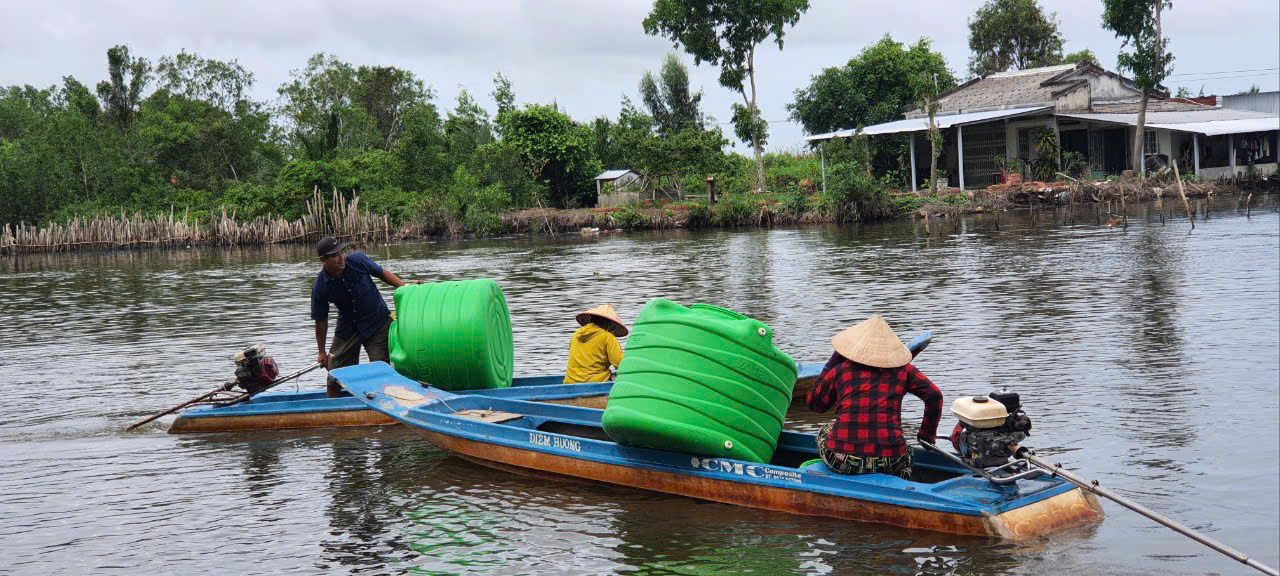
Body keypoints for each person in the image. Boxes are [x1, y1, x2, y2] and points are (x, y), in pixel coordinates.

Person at [806, 315, 943, 479]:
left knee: (825, 430)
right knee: (902, 451)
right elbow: (934, 396)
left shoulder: (841, 370)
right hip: (892, 460)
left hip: (845, 460)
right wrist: (927, 435)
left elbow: (815, 404)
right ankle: (901, 477)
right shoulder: (904, 370)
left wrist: (831, 364)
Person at [311, 236, 405, 396]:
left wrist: (406, 289)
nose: (341, 257)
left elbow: (382, 274)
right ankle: (333, 407)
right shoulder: (320, 287)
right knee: (334, 375)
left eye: (341, 252)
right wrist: (321, 351)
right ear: (323, 260)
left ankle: (385, 400)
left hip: (378, 322)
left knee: (381, 370)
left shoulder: (357, 260)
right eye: (335, 255)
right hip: (349, 327)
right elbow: (321, 321)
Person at [564, 304, 627, 383]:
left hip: (570, 381)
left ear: (591, 319)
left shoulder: (576, 334)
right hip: (596, 380)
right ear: (609, 323)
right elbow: (619, 363)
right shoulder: (608, 337)